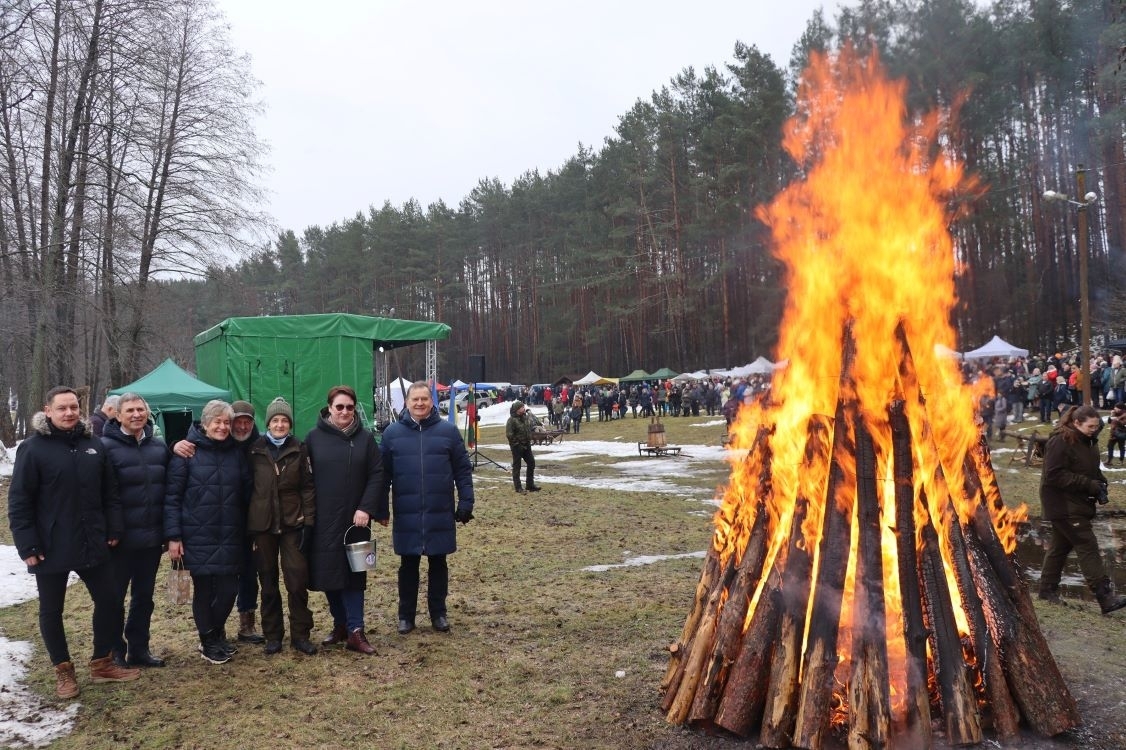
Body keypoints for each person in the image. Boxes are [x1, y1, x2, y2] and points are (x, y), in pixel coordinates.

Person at [8, 386, 141, 698]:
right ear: (48, 410)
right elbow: (19, 501)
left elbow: (111, 493)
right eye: (62, 408)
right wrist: (27, 545)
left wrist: (114, 528)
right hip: (50, 545)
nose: (69, 413)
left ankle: (101, 663)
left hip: (93, 541)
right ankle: (63, 671)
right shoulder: (33, 448)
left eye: (73, 407)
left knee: (109, 601)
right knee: (51, 610)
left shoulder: (93, 445)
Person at [376, 382, 475, 634]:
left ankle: (438, 613)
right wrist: (380, 508)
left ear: (431, 401)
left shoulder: (449, 432)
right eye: (414, 400)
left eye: (424, 399)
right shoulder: (392, 434)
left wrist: (466, 501)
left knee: (438, 564)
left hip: (439, 510)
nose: (419, 404)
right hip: (406, 512)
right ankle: (406, 616)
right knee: (407, 566)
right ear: (407, 403)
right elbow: (382, 475)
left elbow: (462, 470)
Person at [165, 399, 254, 664]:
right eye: (217, 421)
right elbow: (172, 497)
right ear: (205, 423)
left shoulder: (235, 454)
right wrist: (174, 536)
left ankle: (215, 634)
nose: (223, 427)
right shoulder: (187, 453)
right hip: (196, 535)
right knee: (205, 591)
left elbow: (246, 494)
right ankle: (208, 640)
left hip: (229, 534)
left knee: (228, 590)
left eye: (227, 422)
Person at [305, 385, 382, 654]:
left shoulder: (366, 439)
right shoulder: (313, 438)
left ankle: (356, 630)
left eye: (350, 407)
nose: (345, 412)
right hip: (324, 520)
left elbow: (377, 474)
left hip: (357, 521)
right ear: (329, 408)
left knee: (356, 574)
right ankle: (340, 624)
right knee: (329, 574)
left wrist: (367, 508)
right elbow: (304, 478)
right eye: (339, 406)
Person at [101, 392, 170, 668]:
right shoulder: (104, 447)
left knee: (144, 598)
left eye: (140, 409)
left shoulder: (159, 447)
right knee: (114, 598)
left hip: (151, 538)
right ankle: (115, 650)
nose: (136, 414)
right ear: (117, 415)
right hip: (119, 539)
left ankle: (139, 648)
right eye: (129, 410)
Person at [1038, 405, 1126, 613]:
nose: (1094, 429)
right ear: (1076, 423)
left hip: (1077, 502)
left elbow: (1089, 468)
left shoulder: (1088, 441)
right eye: (1090, 426)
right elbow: (1054, 474)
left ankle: (1046, 590)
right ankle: (1105, 596)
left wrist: (1100, 482)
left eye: (1096, 426)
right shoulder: (1061, 441)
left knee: (1060, 547)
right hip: (1062, 504)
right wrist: (1088, 484)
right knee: (1086, 544)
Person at [247, 397, 317, 655]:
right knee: (267, 582)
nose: (279, 425)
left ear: (290, 424)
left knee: (297, 580)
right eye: (275, 420)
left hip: (292, 524)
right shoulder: (255, 450)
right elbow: (246, 488)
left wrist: (308, 522)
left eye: (284, 420)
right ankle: (272, 635)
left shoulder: (300, 449)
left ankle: (301, 634)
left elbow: (308, 488)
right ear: (268, 423)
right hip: (262, 526)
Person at [506, 401, 540, 494]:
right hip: (517, 446)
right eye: (521, 407)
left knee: (531, 463)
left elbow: (534, 423)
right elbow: (509, 435)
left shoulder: (525, 417)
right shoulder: (511, 420)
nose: (523, 408)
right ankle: (518, 487)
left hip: (526, 445)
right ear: (517, 409)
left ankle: (530, 485)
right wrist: (517, 443)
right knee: (517, 466)